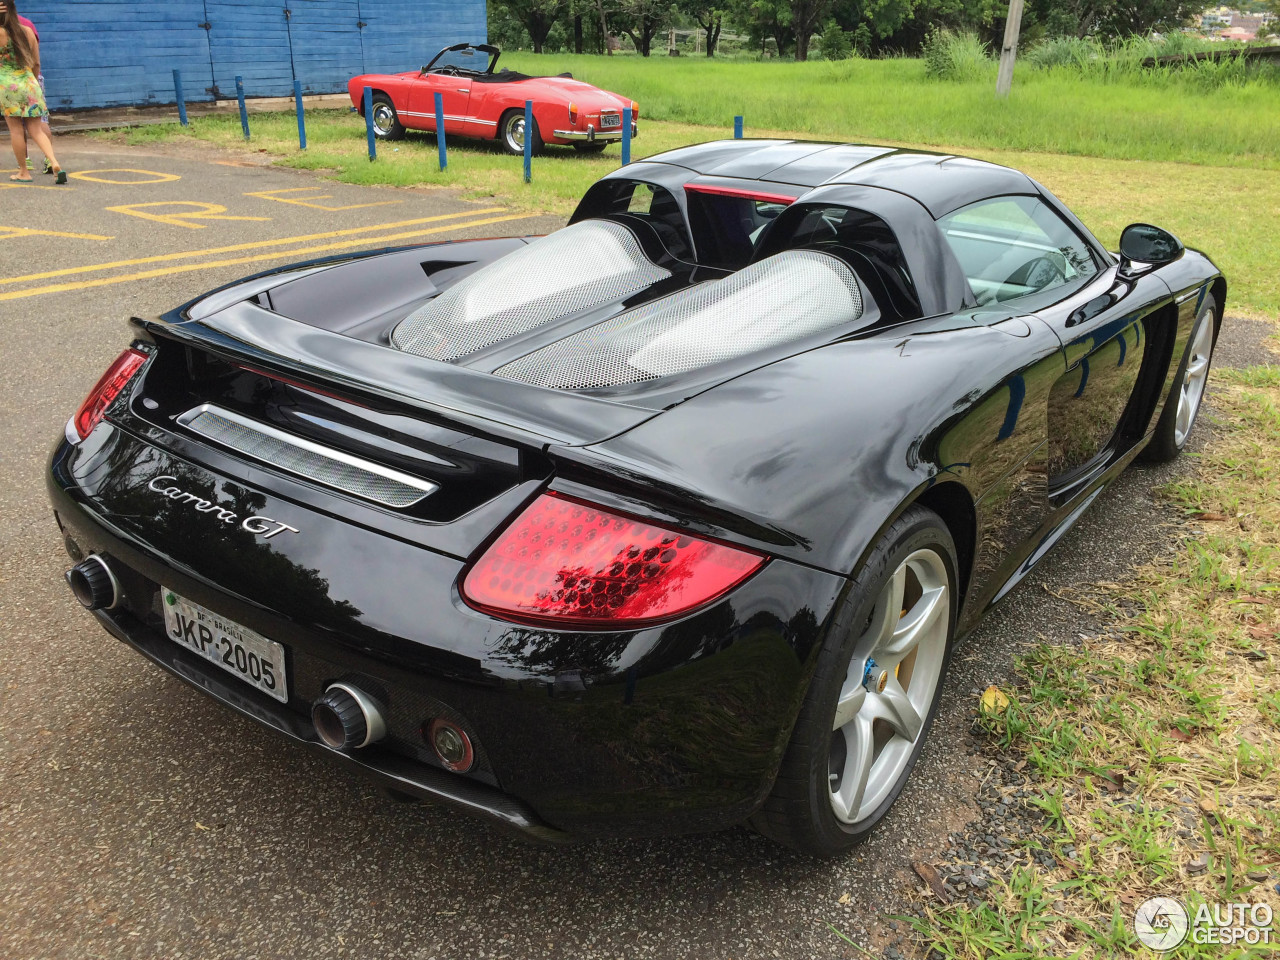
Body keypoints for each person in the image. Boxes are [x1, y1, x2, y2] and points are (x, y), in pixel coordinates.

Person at [1, 0, 64, 183]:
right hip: (29, 82)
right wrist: (33, 81)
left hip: (7, 87)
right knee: (36, 129)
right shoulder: (27, 31)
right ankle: (54, 162)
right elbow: (36, 63)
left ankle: (23, 171)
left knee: (16, 130)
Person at [16, 7, 51, 173]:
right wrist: (34, 78)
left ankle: (25, 162)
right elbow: (35, 58)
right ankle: (50, 159)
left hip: (11, 82)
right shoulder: (27, 25)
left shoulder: (2, 28)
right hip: (33, 78)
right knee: (40, 121)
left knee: (16, 123)